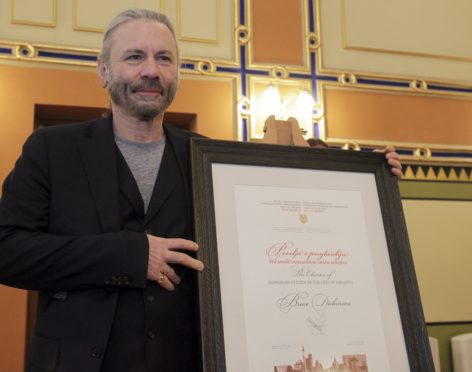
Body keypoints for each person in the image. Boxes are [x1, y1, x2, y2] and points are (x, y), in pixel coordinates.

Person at [0, 8, 402, 372]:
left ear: (177, 73)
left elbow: (278, 235)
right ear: (103, 71)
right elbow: (8, 250)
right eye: (134, 57)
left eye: (164, 58)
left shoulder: (210, 159)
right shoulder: (52, 149)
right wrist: (131, 253)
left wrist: (368, 178)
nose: (151, 71)